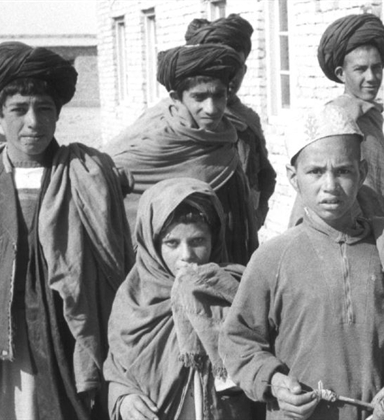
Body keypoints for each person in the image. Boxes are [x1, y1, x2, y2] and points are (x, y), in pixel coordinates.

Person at [220, 103, 384, 420]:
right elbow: (239, 340)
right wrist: (274, 381)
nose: (330, 185)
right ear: (293, 177)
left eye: (343, 171)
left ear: (363, 173)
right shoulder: (273, 258)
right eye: (315, 171)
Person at [0, 41, 134, 419]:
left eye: (44, 109)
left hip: (68, 325)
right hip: (7, 329)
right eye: (18, 110)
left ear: (58, 114)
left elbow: (114, 262)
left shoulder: (85, 172)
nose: (33, 122)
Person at [105, 178, 255, 420]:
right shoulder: (133, 299)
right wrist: (124, 397)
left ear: (214, 239)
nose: (186, 255)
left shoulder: (235, 289)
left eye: (197, 241)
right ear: (152, 244)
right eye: (172, 243)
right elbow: (117, 367)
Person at [107, 14, 276, 228]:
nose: (228, 77)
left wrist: (252, 218)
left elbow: (259, 176)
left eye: (232, 68)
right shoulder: (164, 121)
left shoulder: (247, 121)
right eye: (213, 67)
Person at [111, 43, 258, 264]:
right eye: (199, 98)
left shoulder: (226, 136)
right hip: (171, 263)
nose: (212, 108)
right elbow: (104, 179)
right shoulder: (155, 140)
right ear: (176, 97)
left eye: (219, 96)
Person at [288, 13, 384, 226]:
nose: (371, 77)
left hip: (381, 228)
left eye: (376, 68)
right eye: (360, 69)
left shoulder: (370, 115)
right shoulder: (336, 121)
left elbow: (381, 185)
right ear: (341, 74)